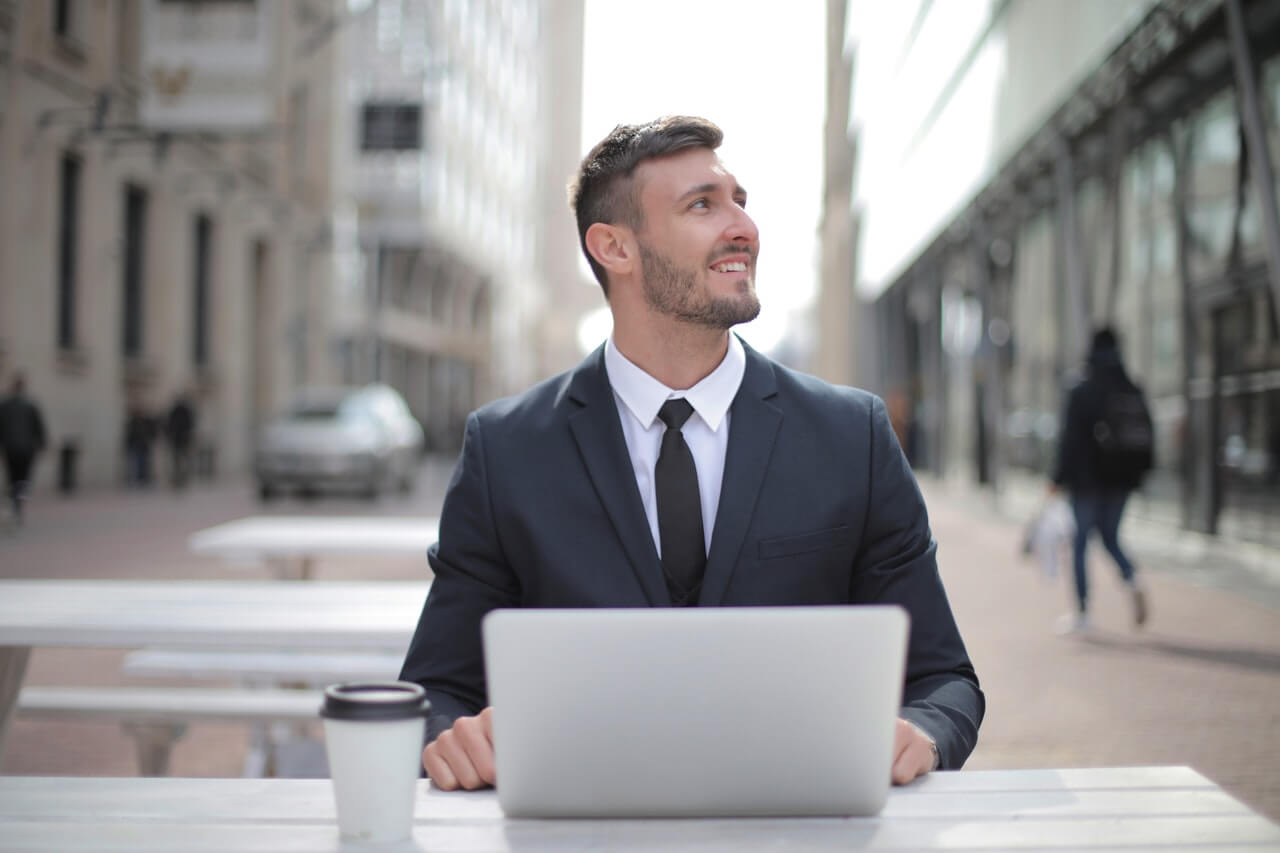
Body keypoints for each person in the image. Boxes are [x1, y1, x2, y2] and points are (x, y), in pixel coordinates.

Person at [399, 116, 983, 791]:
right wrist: (454, 737)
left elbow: (944, 679)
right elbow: (435, 692)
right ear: (614, 246)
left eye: (740, 200)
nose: (743, 227)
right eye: (703, 204)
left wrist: (922, 732)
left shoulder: (853, 436)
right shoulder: (506, 453)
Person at [1050, 327, 1153, 634]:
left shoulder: (1081, 387)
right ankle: (1132, 578)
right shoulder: (1130, 386)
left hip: (1086, 481)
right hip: (1120, 479)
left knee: (1081, 542)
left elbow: (1068, 441)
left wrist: (1057, 478)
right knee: (1110, 536)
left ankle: (1082, 613)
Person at [0, 374, 48, 526]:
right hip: (26, 450)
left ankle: (15, 503)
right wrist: (42, 445)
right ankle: (18, 506)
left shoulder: (5, 405)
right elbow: (39, 428)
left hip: (10, 448)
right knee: (23, 480)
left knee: (13, 478)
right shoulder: (30, 405)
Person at [165, 391, 197, 489]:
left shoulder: (176, 411)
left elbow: (170, 425)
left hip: (178, 439)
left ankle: (180, 478)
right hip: (181, 439)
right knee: (181, 460)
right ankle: (181, 478)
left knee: (179, 460)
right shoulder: (185, 411)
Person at [123, 403, 157, 488]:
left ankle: (144, 478)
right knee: (136, 462)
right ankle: (137, 478)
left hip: (144, 445)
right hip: (135, 444)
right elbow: (129, 434)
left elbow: (152, 432)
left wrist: (151, 438)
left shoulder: (146, 422)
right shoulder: (132, 422)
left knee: (144, 462)